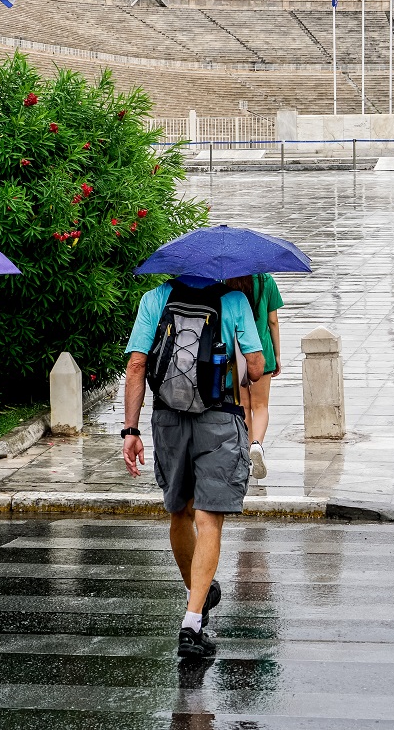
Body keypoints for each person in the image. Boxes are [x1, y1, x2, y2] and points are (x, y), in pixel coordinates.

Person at [121, 275, 264, 658]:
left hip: (167, 419)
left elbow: (137, 366)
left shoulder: (155, 297)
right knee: (209, 518)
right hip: (219, 419)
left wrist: (130, 430)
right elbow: (255, 366)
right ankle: (192, 621)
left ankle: (196, 592)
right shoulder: (234, 300)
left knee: (180, 512)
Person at [225, 274, 284, 479]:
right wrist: (277, 354)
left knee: (244, 406)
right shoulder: (266, 280)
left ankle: (247, 454)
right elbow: (273, 321)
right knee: (261, 406)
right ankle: (257, 444)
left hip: (238, 353)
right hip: (262, 352)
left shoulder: (226, 281)